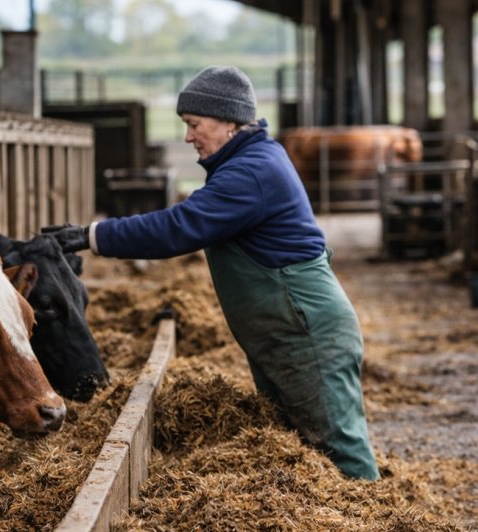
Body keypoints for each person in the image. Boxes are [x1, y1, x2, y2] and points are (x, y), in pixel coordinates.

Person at [47, 66, 379, 480]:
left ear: (229, 122)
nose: (188, 137)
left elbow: (178, 228)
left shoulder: (251, 172)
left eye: (193, 125)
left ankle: (371, 518)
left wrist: (90, 235)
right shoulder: (250, 161)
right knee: (303, 447)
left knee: (338, 449)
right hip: (286, 331)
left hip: (305, 328)